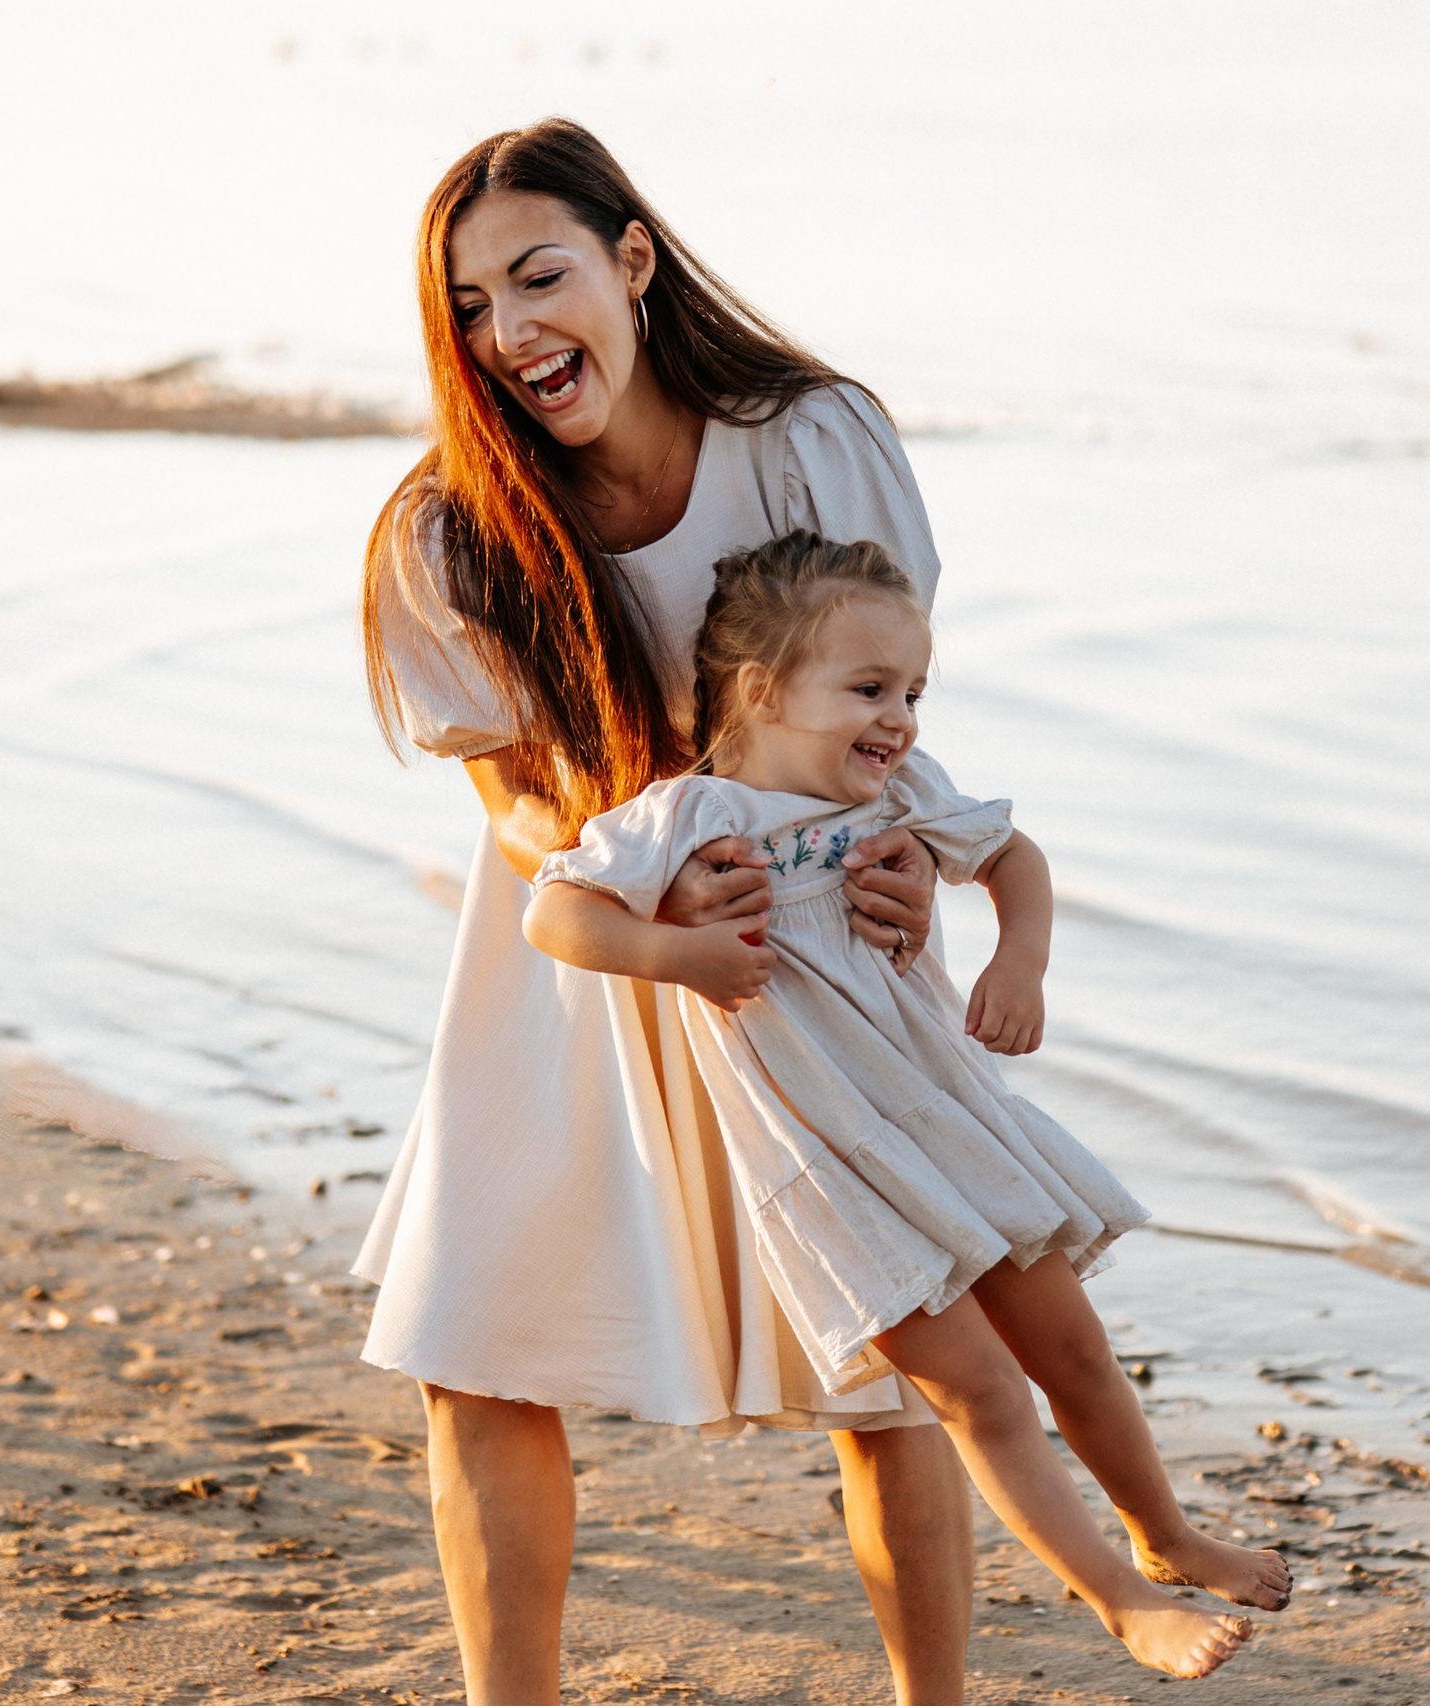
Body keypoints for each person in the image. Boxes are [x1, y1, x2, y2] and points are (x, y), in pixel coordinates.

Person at [350, 121, 974, 1704]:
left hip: (803, 931)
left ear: (633, 260)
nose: (509, 333)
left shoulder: (810, 439)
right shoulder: (452, 526)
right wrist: (637, 867)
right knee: (478, 1353)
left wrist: (906, 849)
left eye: (539, 275)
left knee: (895, 1367)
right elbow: (504, 789)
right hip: (577, 936)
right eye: (472, 306)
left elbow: (876, 692)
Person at [523, 533, 1293, 1677]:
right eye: (871, 689)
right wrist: (671, 953)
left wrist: (1018, 960)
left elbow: (1014, 857)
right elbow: (555, 913)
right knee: (977, 1391)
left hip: (946, 1117)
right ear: (763, 690)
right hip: (826, 1162)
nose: (903, 719)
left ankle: (1166, 1534)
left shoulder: (902, 793)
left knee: (1072, 1342)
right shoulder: (689, 817)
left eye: (915, 691)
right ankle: (1121, 1598)